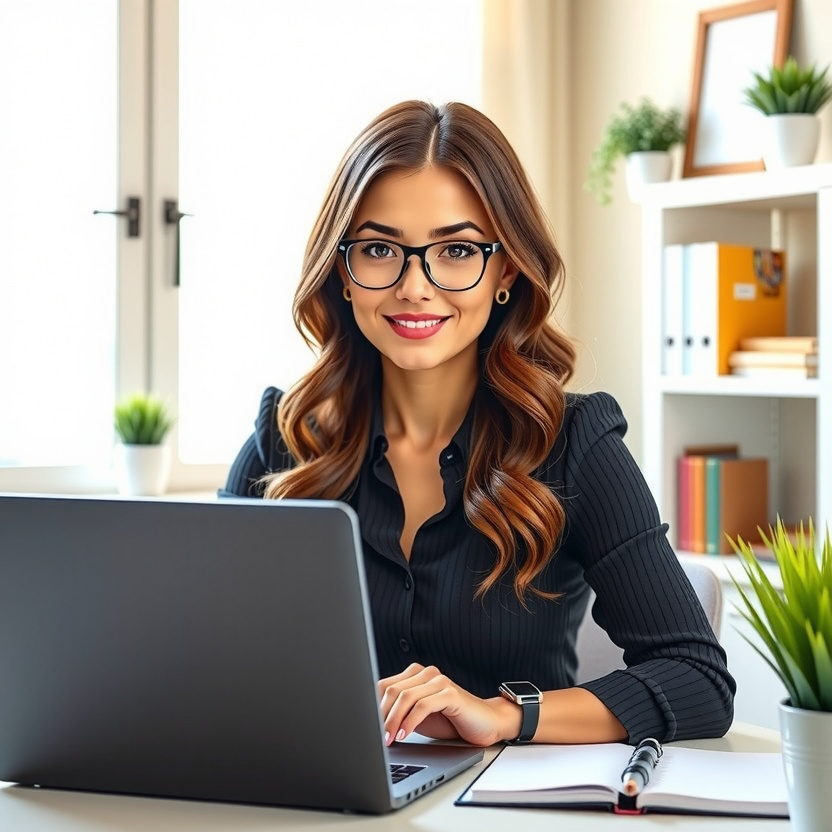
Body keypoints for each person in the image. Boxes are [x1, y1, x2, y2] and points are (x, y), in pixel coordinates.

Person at [223, 100, 735, 749]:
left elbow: (697, 679)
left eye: (456, 249)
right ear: (343, 272)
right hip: (323, 799)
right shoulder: (283, 441)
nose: (415, 286)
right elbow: (204, 654)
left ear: (505, 270)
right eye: (381, 249)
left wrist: (504, 714)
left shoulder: (576, 445)